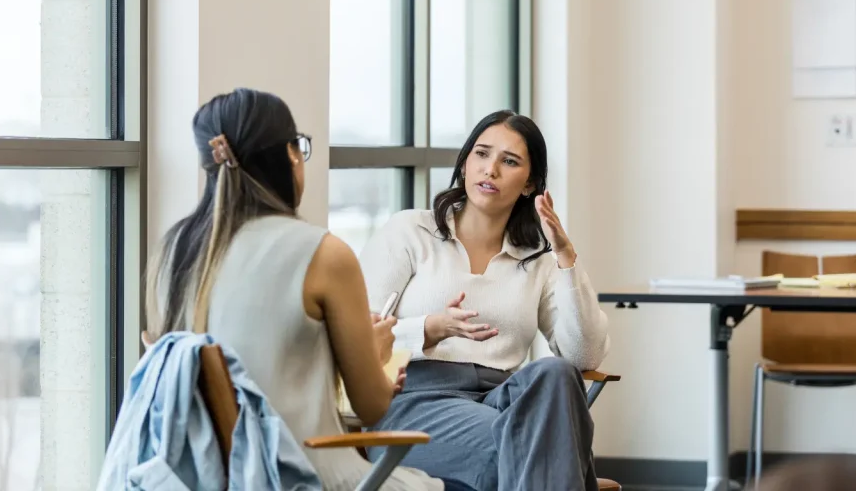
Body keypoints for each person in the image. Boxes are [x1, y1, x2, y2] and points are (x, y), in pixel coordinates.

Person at [143, 88, 442, 491]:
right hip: (308, 476)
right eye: (299, 147)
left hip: (210, 479)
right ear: (289, 156)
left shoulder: (172, 253)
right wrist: (375, 352)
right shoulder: (323, 254)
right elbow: (372, 406)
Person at [359, 110, 611, 491]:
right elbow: (357, 336)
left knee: (556, 373)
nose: (490, 169)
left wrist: (566, 259)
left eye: (509, 161)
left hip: (499, 399)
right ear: (464, 165)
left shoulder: (537, 260)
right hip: (414, 400)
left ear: (530, 184)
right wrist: (427, 329)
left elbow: (585, 357)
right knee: (540, 444)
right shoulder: (410, 232)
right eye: (481, 154)